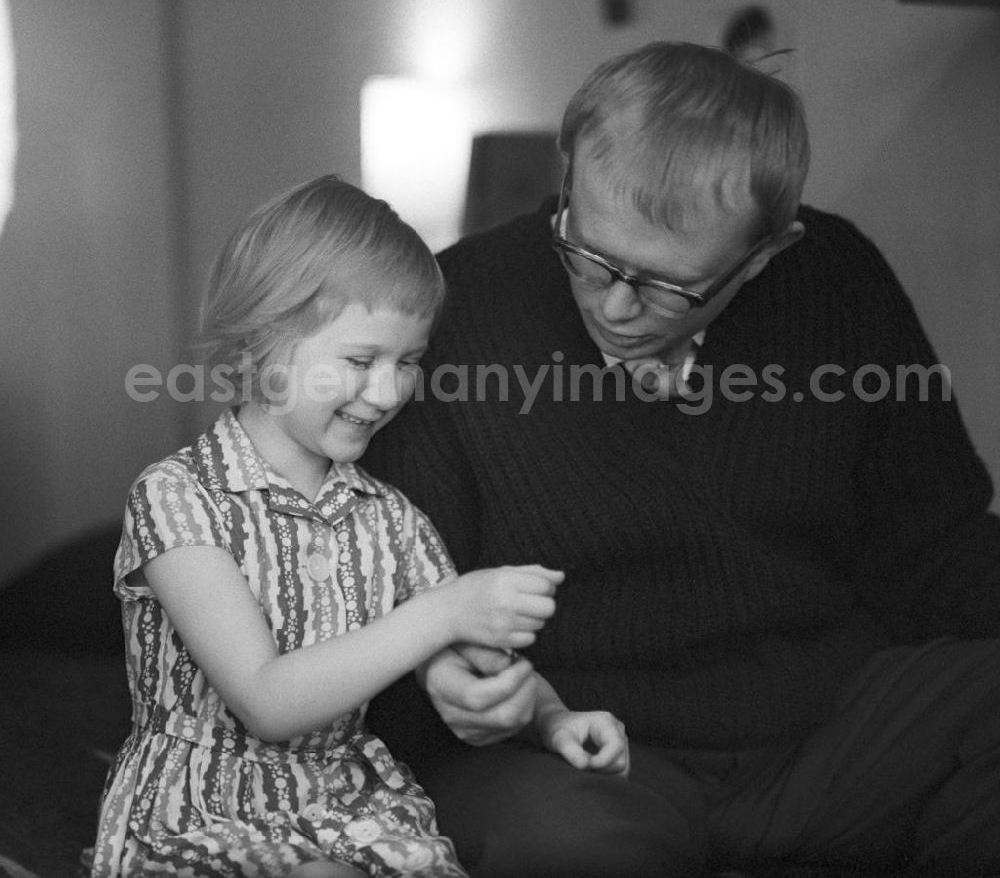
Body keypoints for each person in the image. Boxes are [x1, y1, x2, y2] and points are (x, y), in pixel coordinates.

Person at [362, 42, 1000, 878]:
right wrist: (436, 671)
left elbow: (935, 544)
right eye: (588, 255)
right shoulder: (460, 307)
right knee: (550, 843)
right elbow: (387, 577)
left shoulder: (836, 279)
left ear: (767, 253)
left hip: (830, 724)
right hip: (576, 749)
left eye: (669, 287)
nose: (616, 307)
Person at [91, 176, 628, 878]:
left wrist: (552, 718)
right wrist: (440, 612)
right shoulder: (177, 497)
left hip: (351, 808)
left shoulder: (390, 517)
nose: (387, 393)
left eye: (407, 362)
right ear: (261, 343)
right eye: (359, 360)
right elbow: (267, 701)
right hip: (204, 812)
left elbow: (473, 659)